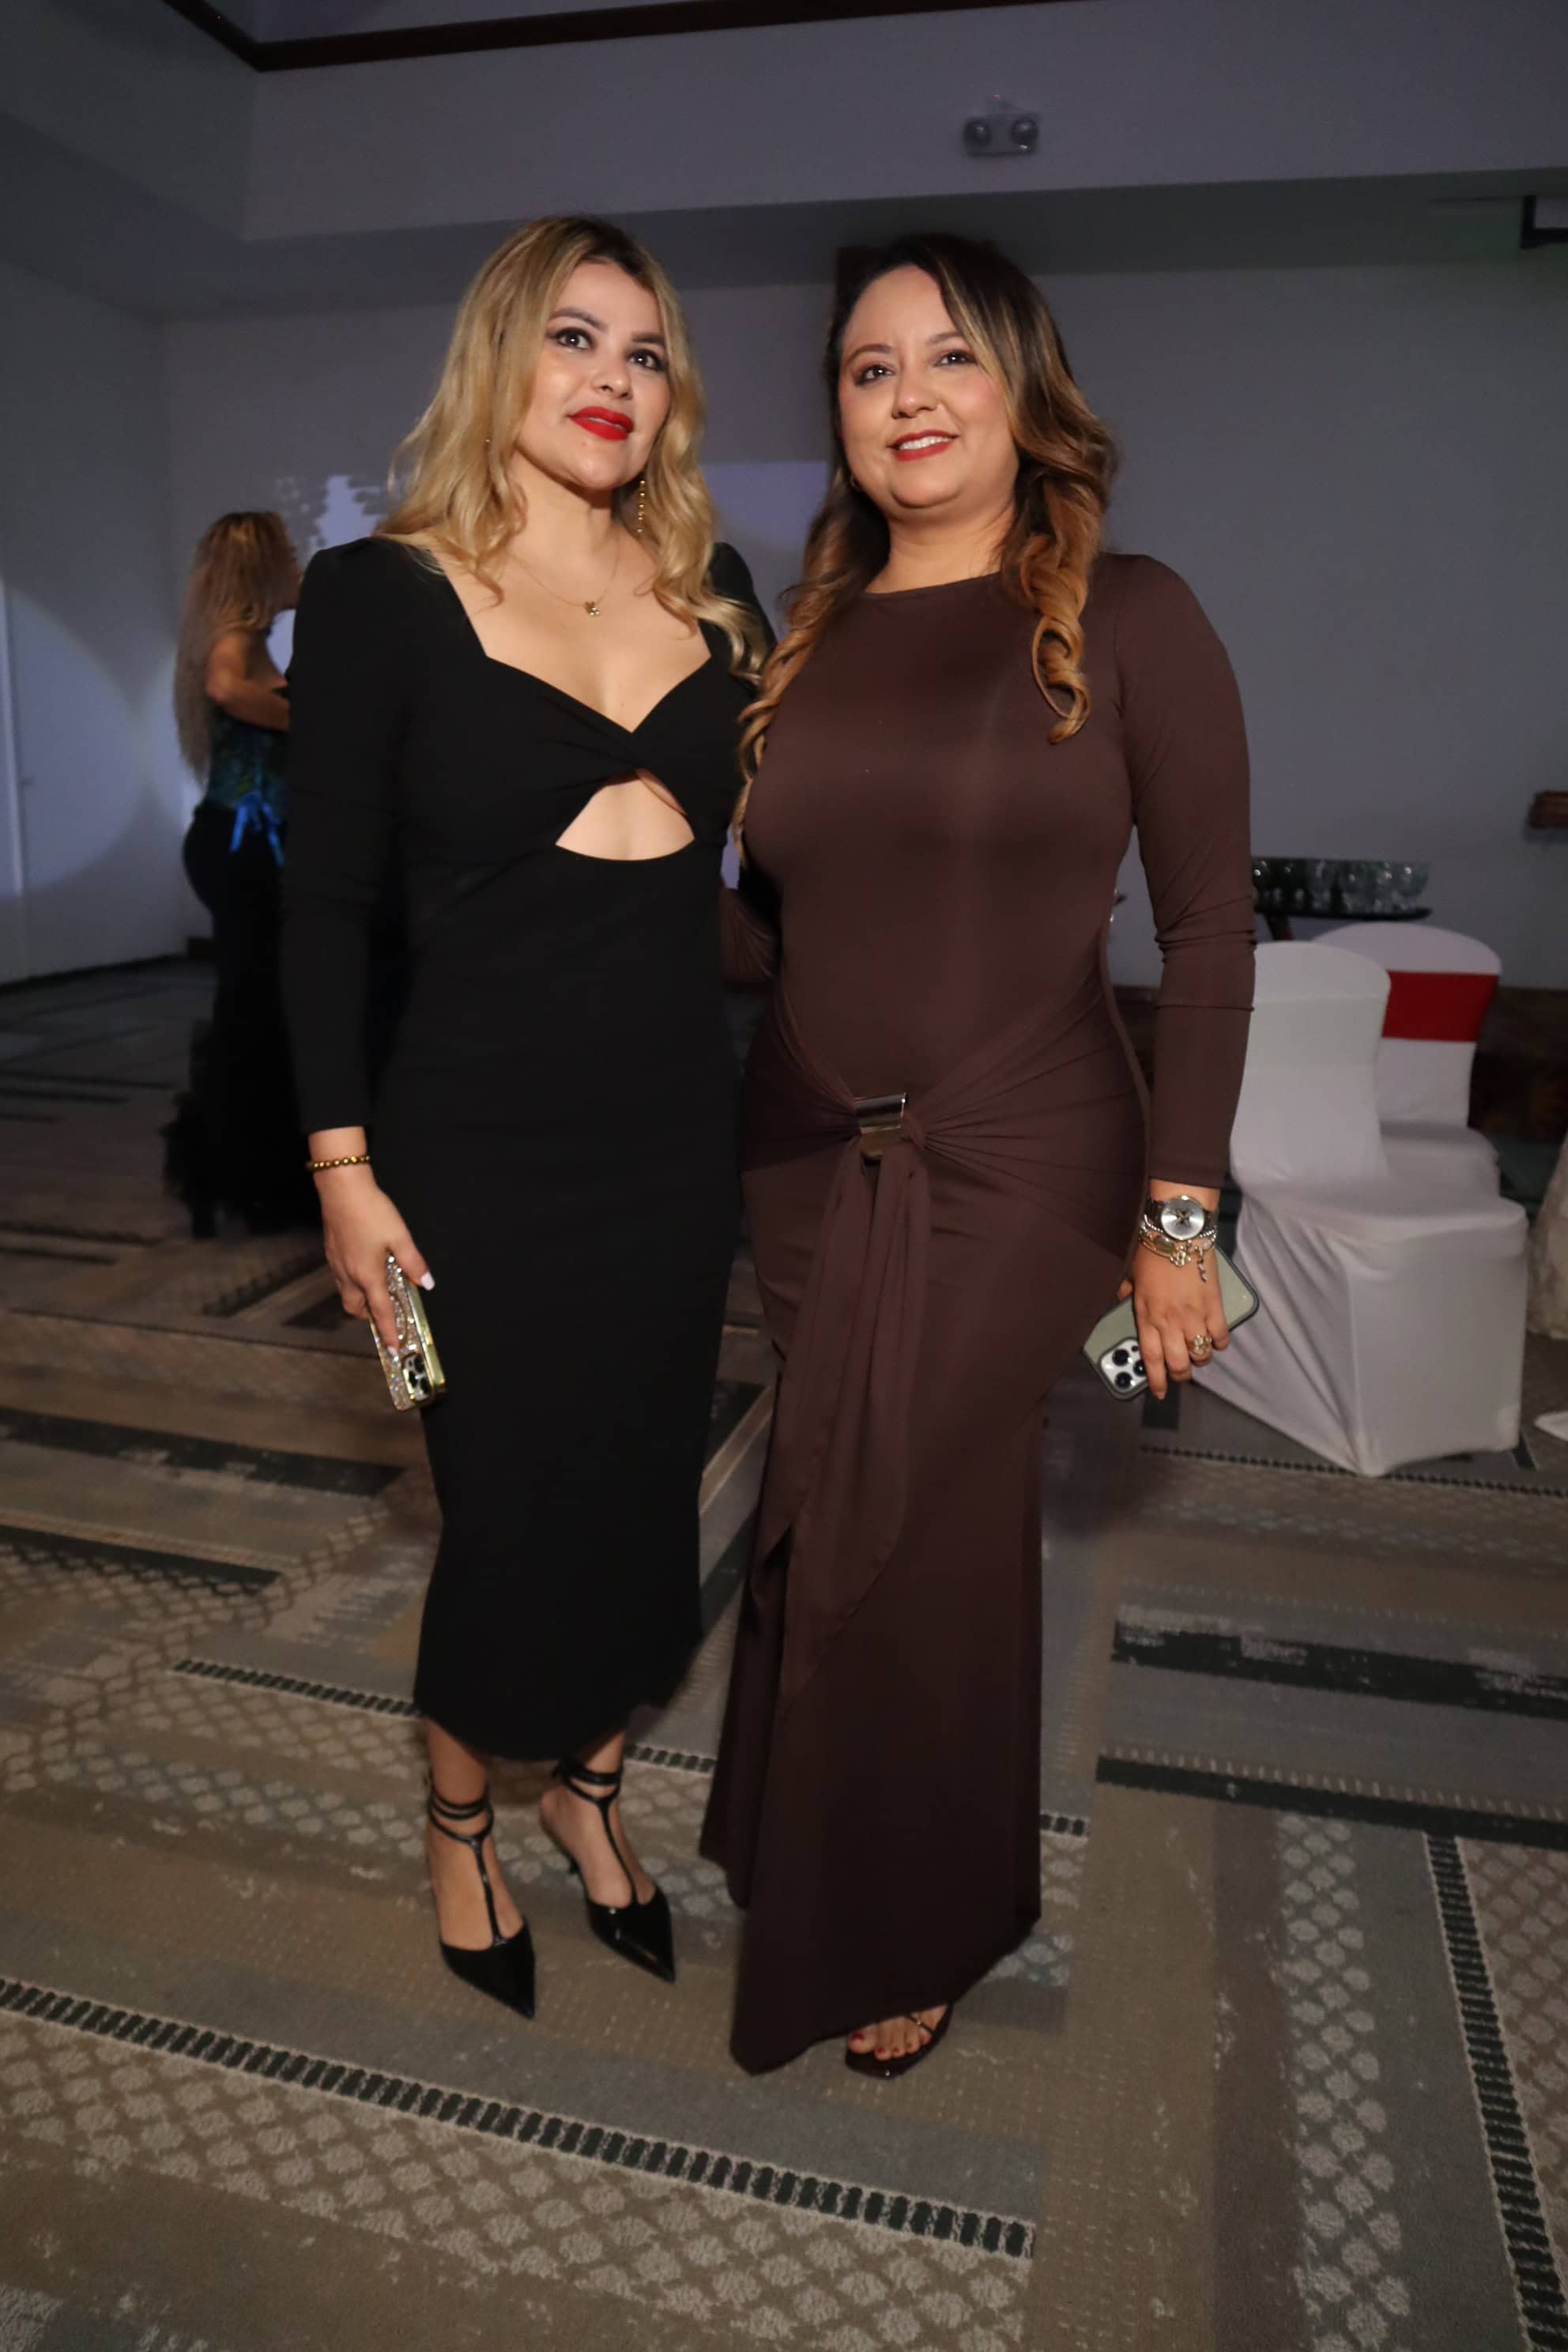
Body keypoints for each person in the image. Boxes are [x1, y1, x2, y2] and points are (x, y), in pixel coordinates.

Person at [702, 233, 1254, 2077]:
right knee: (822, 1502)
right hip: (805, 1148)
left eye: (948, 356)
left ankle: (921, 1913)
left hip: (1023, 1149)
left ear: (1023, 385)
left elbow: (1209, 928)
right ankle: (812, 1840)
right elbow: (772, 930)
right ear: (839, 414)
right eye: (869, 369)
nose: (908, 397)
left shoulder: (1129, 612)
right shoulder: (806, 637)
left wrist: (1180, 1215)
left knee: (910, 1522)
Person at [281, 217, 770, 2022]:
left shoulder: (716, 589)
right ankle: (459, 1821)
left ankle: (589, 1791)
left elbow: (796, 854)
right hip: (466, 1152)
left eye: (644, 352)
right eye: (575, 338)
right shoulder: (378, 592)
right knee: (497, 1507)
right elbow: (321, 910)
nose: (611, 380)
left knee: (642, 1491)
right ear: (502, 353)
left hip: (672, 1140)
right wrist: (341, 1170)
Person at [169, 511, 308, 1235]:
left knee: (259, 1007)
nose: (299, 566)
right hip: (243, 846)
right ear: (260, 568)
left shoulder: (248, 638)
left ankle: (240, 1173)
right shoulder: (233, 642)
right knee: (254, 1011)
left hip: (241, 843)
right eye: (289, 555)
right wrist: (310, 721)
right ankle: (244, 1176)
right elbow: (226, 689)